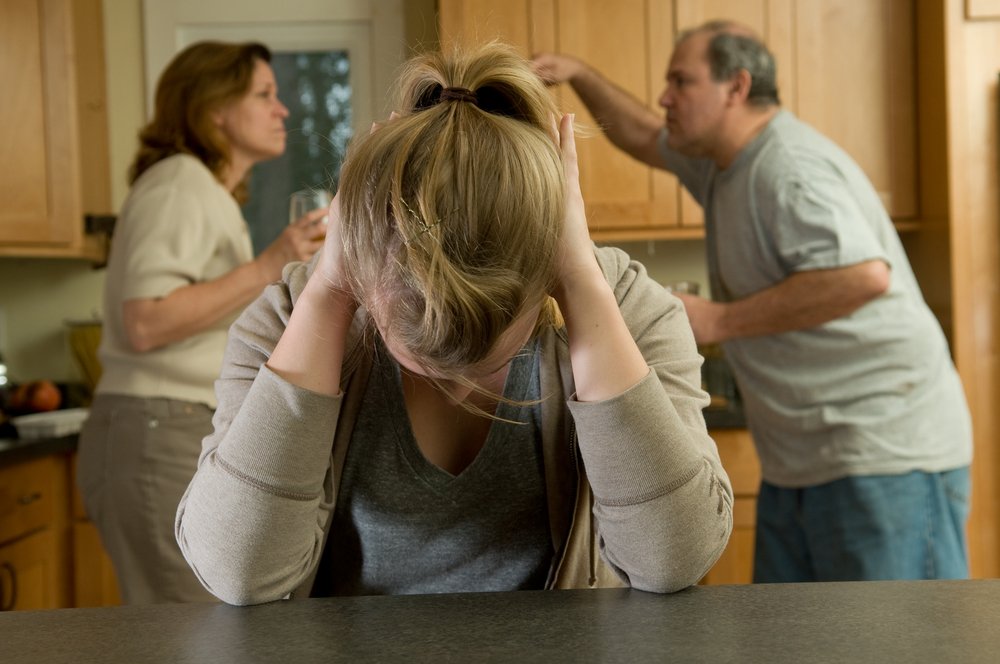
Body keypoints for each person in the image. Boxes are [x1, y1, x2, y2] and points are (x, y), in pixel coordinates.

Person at [174, 42, 733, 605]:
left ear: (544, 274)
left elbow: (671, 559)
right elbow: (238, 573)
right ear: (364, 272)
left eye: (487, 344)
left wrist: (581, 282)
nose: (455, 379)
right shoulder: (289, 315)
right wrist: (328, 292)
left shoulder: (627, 307)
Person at [533, 21, 973, 583]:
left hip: (884, 451)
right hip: (805, 457)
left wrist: (719, 319)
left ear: (736, 87)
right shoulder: (722, 162)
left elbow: (865, 276)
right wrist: (577, 73)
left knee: (898, 641)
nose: (664, 96)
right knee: (790, 639)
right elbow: (643, 133)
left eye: (681, 81)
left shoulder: (785, 166)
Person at [76, 41, 324, 604]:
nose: (281, 109)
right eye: (263, 95)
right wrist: (267, 264)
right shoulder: (179, 182)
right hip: (157, 428)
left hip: (167, 425)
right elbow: (143, 321)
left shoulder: (203, 192)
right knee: (189, 630)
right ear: (213, 109)